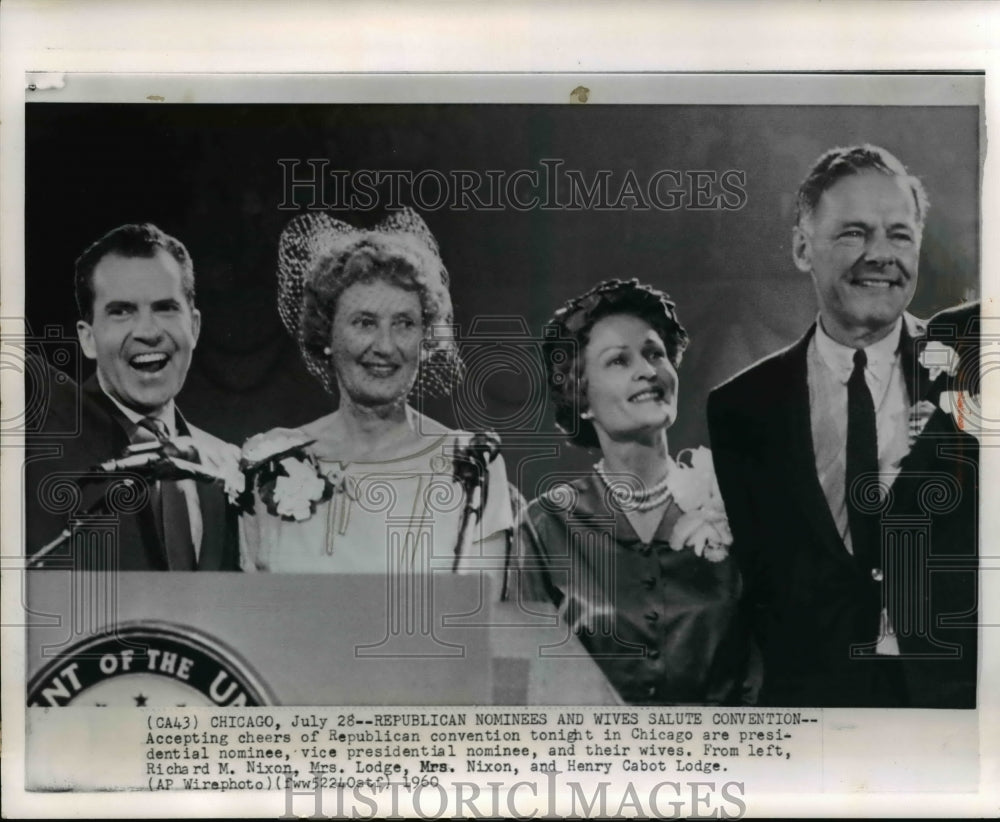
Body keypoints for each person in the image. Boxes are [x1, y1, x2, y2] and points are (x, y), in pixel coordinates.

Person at [707, 144, 978, 708]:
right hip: (812, 718)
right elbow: (759, 589)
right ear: (803, 248)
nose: (881, 254)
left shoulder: (976, 363)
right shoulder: (741, 408)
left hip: (955, 711)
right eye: (854, 233)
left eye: (899, 235)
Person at [515, 279, 758, 706]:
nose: (647, 370)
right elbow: (532, 685)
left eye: (654, 354)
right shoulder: (545, 526)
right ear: (582, 398)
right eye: (618, 361)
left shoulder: (737, 501)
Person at [238, 208, 512, 574]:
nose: (385, 346)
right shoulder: (270, 463)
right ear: (326, 335)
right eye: (365, 322)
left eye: (404, 324)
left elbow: (483, 618)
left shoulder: (472, 465)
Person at [25, 223, 242, 571]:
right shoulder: (35, 440)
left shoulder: (227, 463)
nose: (148, 332)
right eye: (122, 311)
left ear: (195, 327)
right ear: (87, 338)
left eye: (166, 307)